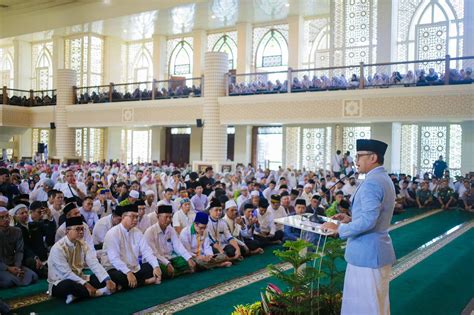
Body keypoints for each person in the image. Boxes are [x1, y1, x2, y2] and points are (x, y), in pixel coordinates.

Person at [322, 139, 395, 315]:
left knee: (365, 307)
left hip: (367, 255)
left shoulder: (372, 182)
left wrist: (339, 229)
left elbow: (369, 221)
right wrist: (350, 218)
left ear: (373, 157)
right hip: (372, 252)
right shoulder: (382, 178)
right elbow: (370, 217)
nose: (355, 160)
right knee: (374, 305)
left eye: (359, 156)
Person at [48, 216, 117, 304]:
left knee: (103, 278)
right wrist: (86, 284)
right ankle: (100, 292)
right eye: (77, 229)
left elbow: (93, 262)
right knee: (68, 285)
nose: (81, 232)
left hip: (80, 278)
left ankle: (77, 294)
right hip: (60, 281)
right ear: (67, 231)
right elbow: (66, 273)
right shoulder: (58, 248)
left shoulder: (82, 244)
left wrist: (107, 279)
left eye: (82, 229)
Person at [102, 204, 162, 290]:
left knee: (152, 267)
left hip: (133, 268)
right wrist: (128, 272)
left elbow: (147, 251)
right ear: (123, 217)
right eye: (132, 217)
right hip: (115, 268)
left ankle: (124, 286)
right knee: (120, 277)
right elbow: (114, 259)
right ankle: (146, 281)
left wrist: (156, 266)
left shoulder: (137, 232)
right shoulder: (112, 233)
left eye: (137, 217)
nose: (135, 220)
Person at [144, 205, 196, 278]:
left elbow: (178, 246)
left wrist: (189, 258)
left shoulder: (170, 229)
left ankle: (175, 272)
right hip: (158, 261)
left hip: (171, 258)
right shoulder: (150, 232)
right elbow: (154, 253)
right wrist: (167, 263)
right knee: (161, 270)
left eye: (170, 217)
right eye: (166, 217)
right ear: (158, 217)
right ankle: (175, 272)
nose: (168, 220)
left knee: (189, 262)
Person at [0, 206, 38, 288]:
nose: (5, 219)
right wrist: (8, 268)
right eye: (1, 217)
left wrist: (17, 266)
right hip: (2, 266)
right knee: (8, 282)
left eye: (7, 216)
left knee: (33, 276)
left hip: (14, 264)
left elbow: (19, 251)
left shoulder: (16, 231)